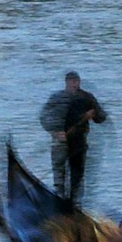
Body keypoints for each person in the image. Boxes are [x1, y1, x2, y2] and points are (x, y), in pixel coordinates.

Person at [39, 69, 107, 203]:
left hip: (79, 143)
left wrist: (94, 114)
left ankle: (75, 204)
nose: (73, 84)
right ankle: (59, 200)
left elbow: (101, 117)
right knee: (59, 176)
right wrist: (54, 133)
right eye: (70, 81)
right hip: (60, 142)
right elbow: (44, 117)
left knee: (77, 176)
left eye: (75, 81)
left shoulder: (87, 98)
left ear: (79, 82)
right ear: (66, 82)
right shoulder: (56, 98)